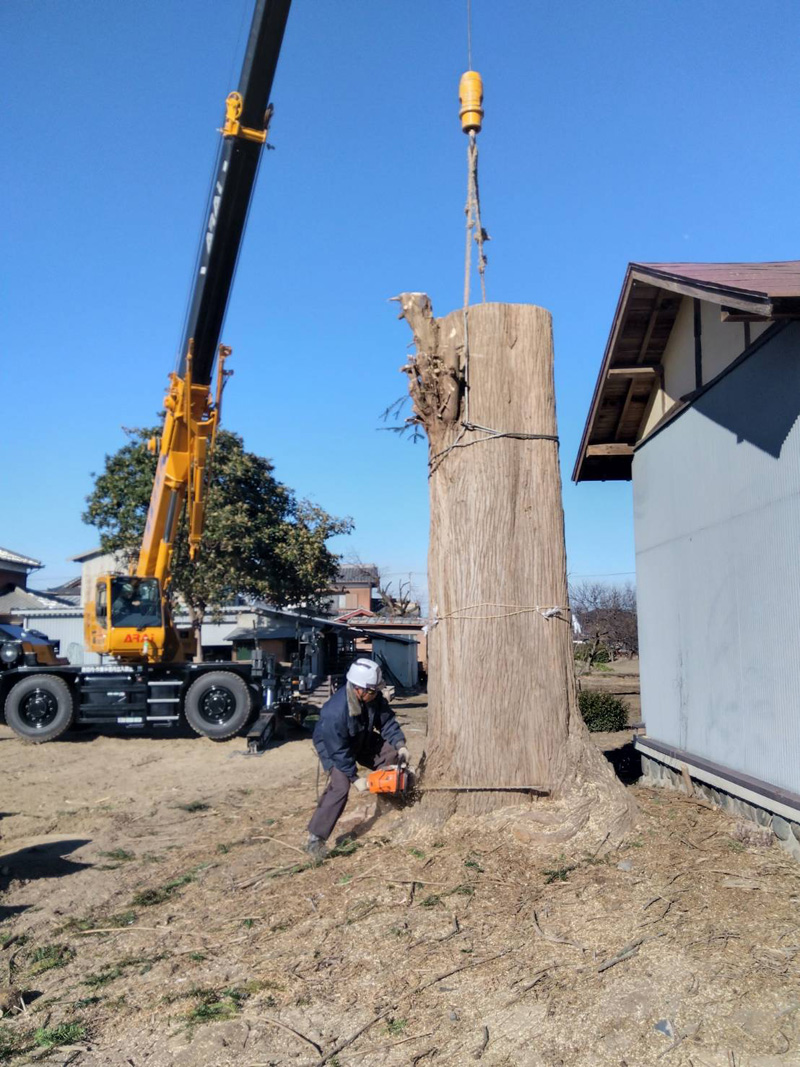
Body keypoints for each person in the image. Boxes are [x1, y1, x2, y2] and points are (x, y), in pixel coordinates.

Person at [305, 658, 409, 859]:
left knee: (390, 755)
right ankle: (315, 838)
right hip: (333, 746)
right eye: (373, 691)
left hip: (359, 736)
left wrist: (400, 744)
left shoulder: (372, 697)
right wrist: (354, 778)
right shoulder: (334, 713)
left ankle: (389, 800)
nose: (376, 694)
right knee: (340, 787)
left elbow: (386, 722)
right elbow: (340, 753)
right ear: (359, 690)